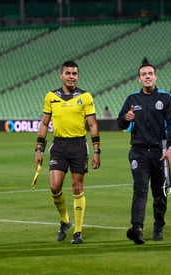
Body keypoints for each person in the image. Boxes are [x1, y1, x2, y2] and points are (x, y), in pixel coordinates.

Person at [34, 60, 101, 245]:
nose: (71, 76)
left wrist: (97, 150)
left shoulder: (85, 97)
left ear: (77, 76)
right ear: (61, 75)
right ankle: (65, 220)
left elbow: (93, 124)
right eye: (68, 73)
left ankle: (78, 231)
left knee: (77, 188)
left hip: (79, 146)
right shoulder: (51, 97)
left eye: (74, 74)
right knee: (55, 187)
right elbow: (44, 123)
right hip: (59, 146)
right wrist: (38, 148)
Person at [117, 63, 171, 245]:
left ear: (155, 76)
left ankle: (158, 226)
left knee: (161, 191)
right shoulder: (132, 99)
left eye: (150, 73)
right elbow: (121, 124)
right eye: (144, 74)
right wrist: (125, 119)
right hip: (138, 151)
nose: (147, 77)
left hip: (161, 150)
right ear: (139, 79)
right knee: (140, 189)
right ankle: (137, 228)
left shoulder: (166, 98)